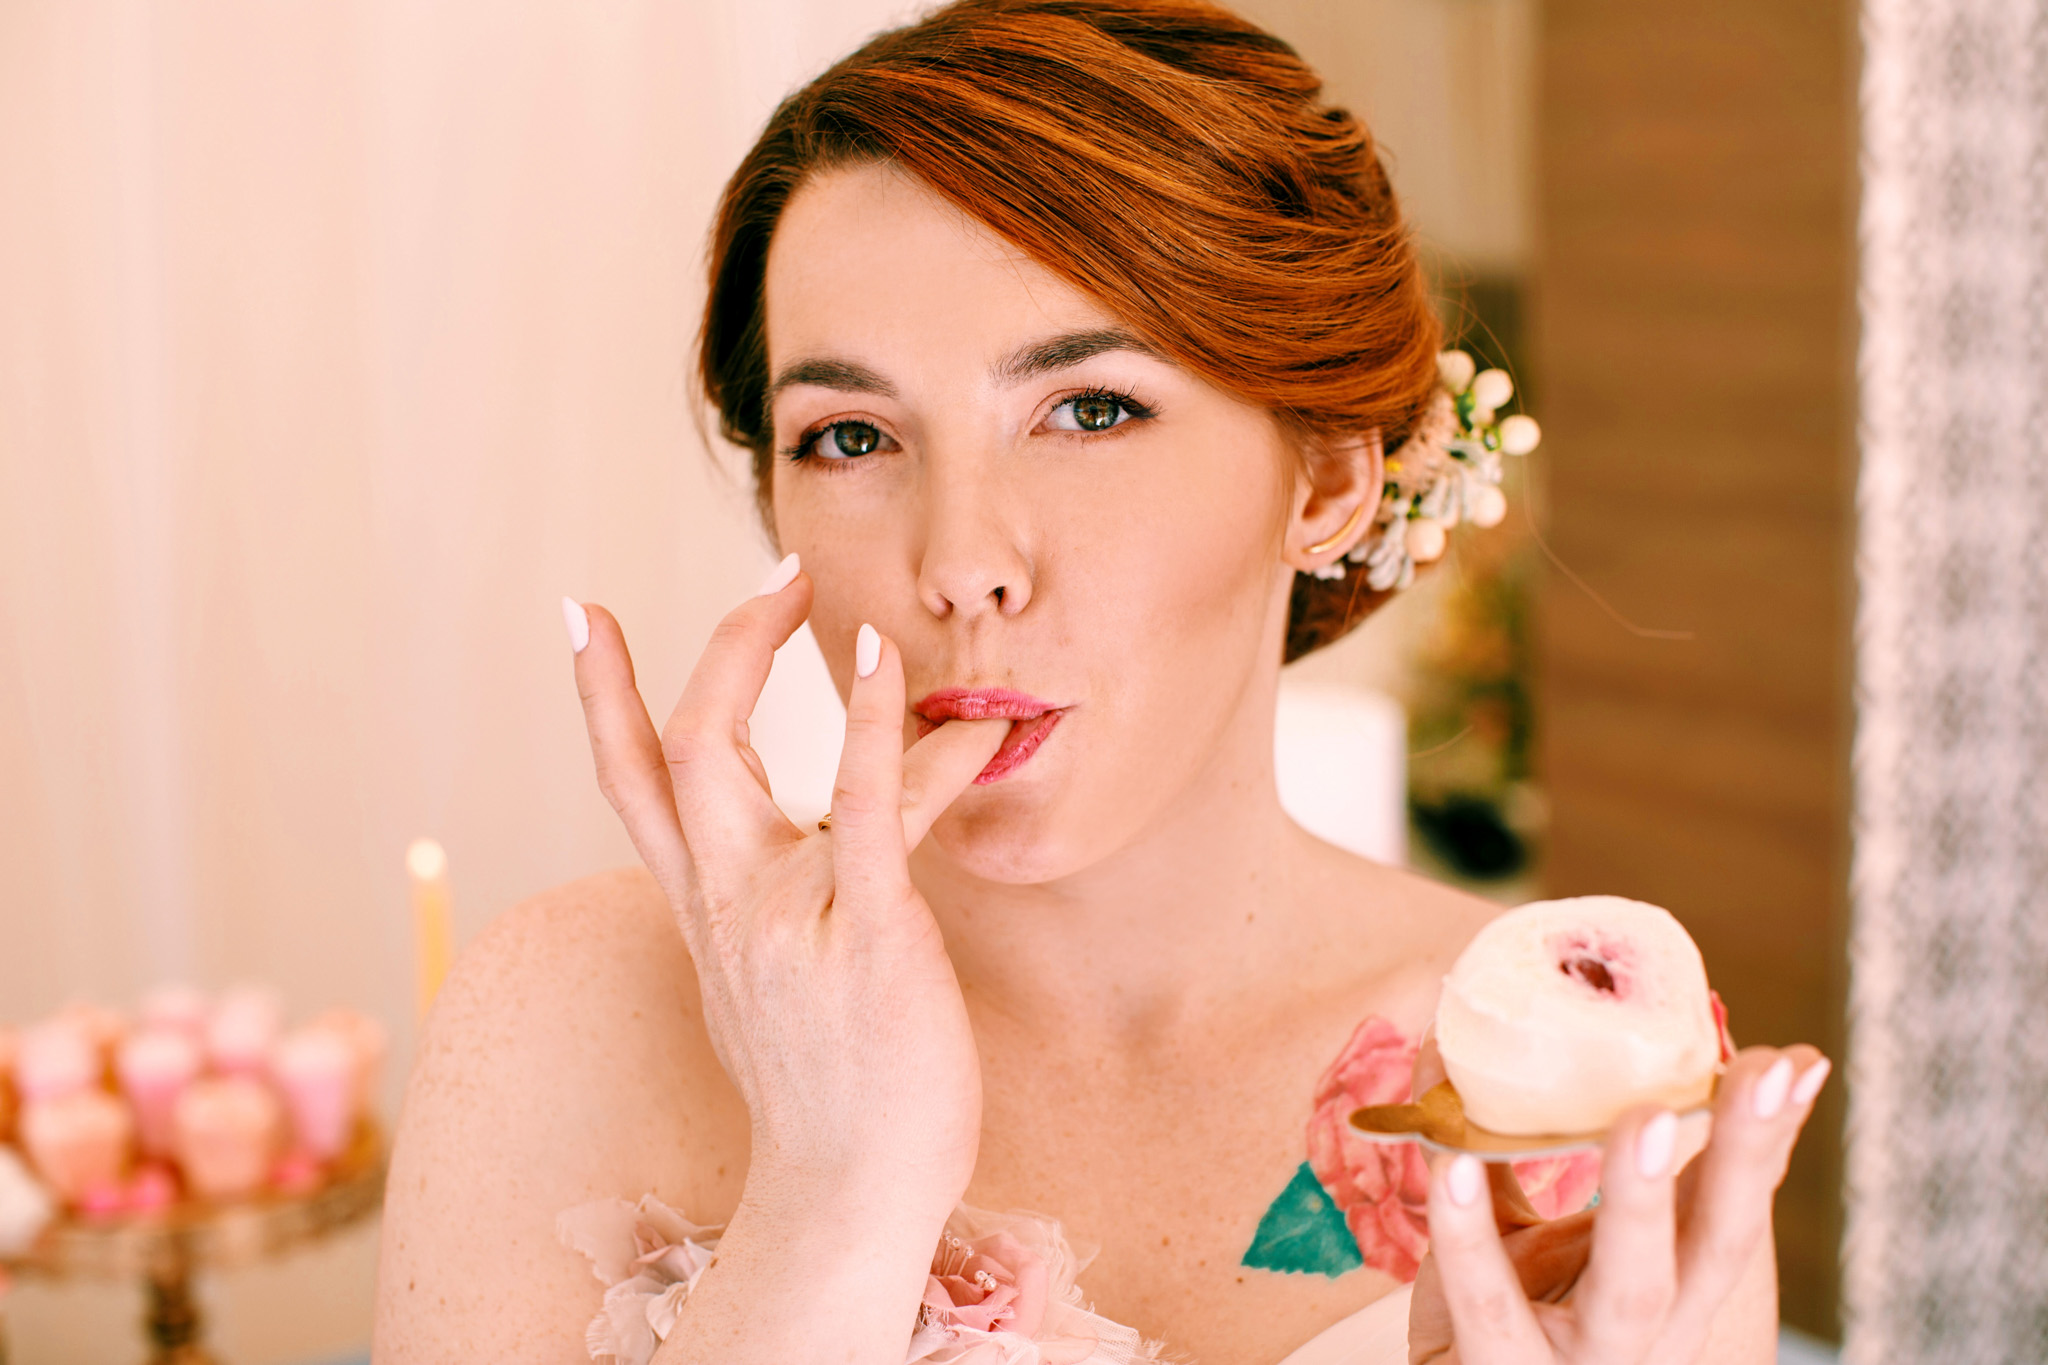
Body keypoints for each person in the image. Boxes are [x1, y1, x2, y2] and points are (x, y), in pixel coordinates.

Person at [374, 3, 1827, 1361]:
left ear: (1327, 478)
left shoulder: (1583, 1078)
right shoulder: (563, 1017)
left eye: (1089, 408)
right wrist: (828, 1194)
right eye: (851, 437)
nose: (962, 565)